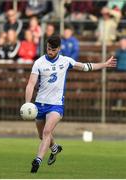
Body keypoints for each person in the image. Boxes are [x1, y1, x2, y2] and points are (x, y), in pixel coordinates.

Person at [25, 35, 116, 173]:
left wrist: (104, 64)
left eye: (53, 50)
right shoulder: (39, 63)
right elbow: (31, 84)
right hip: (39, 104)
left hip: (56, 105)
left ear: (59, 49)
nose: (50, 52)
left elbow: (86, 67)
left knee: (47, 132)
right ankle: (55, 148)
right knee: (42, 136)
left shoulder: (66, 61)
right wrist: (27, 103)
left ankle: (37, 160)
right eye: (48, 49)